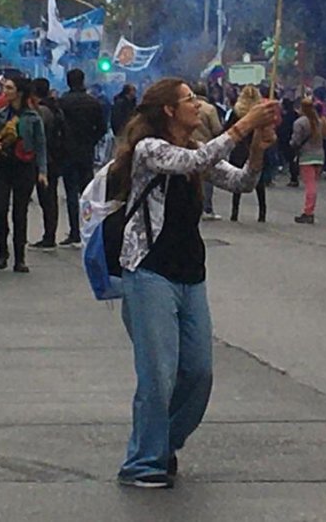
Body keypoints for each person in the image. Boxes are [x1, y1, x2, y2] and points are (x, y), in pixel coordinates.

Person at [112, 78, 276, 487]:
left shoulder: (193, 151)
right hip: (149, 270)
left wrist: (256, 150)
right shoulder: (150, 149)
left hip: (190, 273)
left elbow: (241, 182)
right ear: (168, 110)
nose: (197, 105)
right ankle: (142, 462)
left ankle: (164, 442)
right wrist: (240, 125)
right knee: (158, 374)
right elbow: (190, 162)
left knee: (199, 372)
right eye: (188, 100)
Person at [0, 77, 47, 272]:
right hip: (2, 165)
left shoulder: (33, 117)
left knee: (20, 212)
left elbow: (41, 145)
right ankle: (2, 249)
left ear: (19, 92)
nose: (4, 91)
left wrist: (42, 171)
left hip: (24, 166)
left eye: (9, 87)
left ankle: (19, 257)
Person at [58, 68, 106, 248]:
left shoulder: (63, 102)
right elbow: (101, 127)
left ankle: (74, 232)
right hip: (86, 151)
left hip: (68, 151)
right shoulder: (92, 102)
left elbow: (59, 126)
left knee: (71, 193)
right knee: (88, 194)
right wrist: (91, 141)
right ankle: (90, 229)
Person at [28, 77, 63, 251]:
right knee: (50, 197)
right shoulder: (55, 107)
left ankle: (49, 235)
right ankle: (50, 233)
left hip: (45, 158)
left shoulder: (41, 111)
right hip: (56, 156)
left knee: (46, 198)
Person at [225, 85, 267, 223]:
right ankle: (262, 212)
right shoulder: (260, 113)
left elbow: (227, 129)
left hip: (239, 149)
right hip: (255, 147)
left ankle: (235, 212)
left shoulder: (236, 112)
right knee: (259, 182)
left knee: (237, 179)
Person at [192, 81, 223, 220]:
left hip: (189, 145)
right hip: (206, 146)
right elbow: (217, 129)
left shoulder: (188, 107)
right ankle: (207, 208)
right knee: (207, 180)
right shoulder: (209, 109)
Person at [291, 97, 324, 224]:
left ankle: (308, 212)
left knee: (310, 185)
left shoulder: (300, 123)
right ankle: (310, 209)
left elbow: (296, 140)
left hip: (306, 156)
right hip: (319, 156)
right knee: (313, 183)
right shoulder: (319, 121)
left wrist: (292, 144)